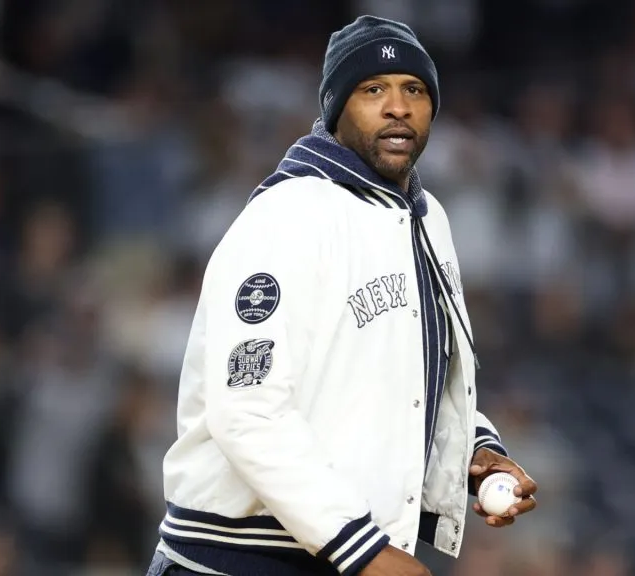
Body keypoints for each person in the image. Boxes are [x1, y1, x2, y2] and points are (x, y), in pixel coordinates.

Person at [147, 15, 538, 576]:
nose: (398, 106)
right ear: (336, 109)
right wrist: (365, 551)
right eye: (373, 90)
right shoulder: (287, 217)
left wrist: (473, 449)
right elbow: (246, 410)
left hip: (341, 555)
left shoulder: (428, 219)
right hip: (236, 559)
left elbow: (411, 376)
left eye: (415, 90)